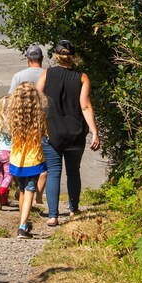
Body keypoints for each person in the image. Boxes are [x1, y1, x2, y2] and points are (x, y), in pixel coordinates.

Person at [36, 39, 100, 227]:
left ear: (56, 56)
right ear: (73, 57)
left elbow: (37, 99)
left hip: (51, 132)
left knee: (54, 172)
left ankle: (53, 216)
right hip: (75, 132)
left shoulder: (47, 74)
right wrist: (95, 132)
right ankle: (73, 210)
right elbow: (85, 106)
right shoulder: (82, 77)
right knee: (73, 172)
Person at [6, 81, 49, 239]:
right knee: (31, 190)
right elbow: (45, 134)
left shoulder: (14, 116)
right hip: (33, 159)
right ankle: (23, 227)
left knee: (22, 189)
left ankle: (22, 222)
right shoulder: (39, 115)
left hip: (17, 159)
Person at [10, 45, 46, 203]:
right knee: (41, 159)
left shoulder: (18, 76)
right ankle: (36, 196)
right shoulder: (47, 75)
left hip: (22, 124)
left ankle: (22, 188)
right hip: (42, 124)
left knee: (22, 157)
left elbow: (11, 99)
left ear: (27, 60)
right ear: (41, 59)